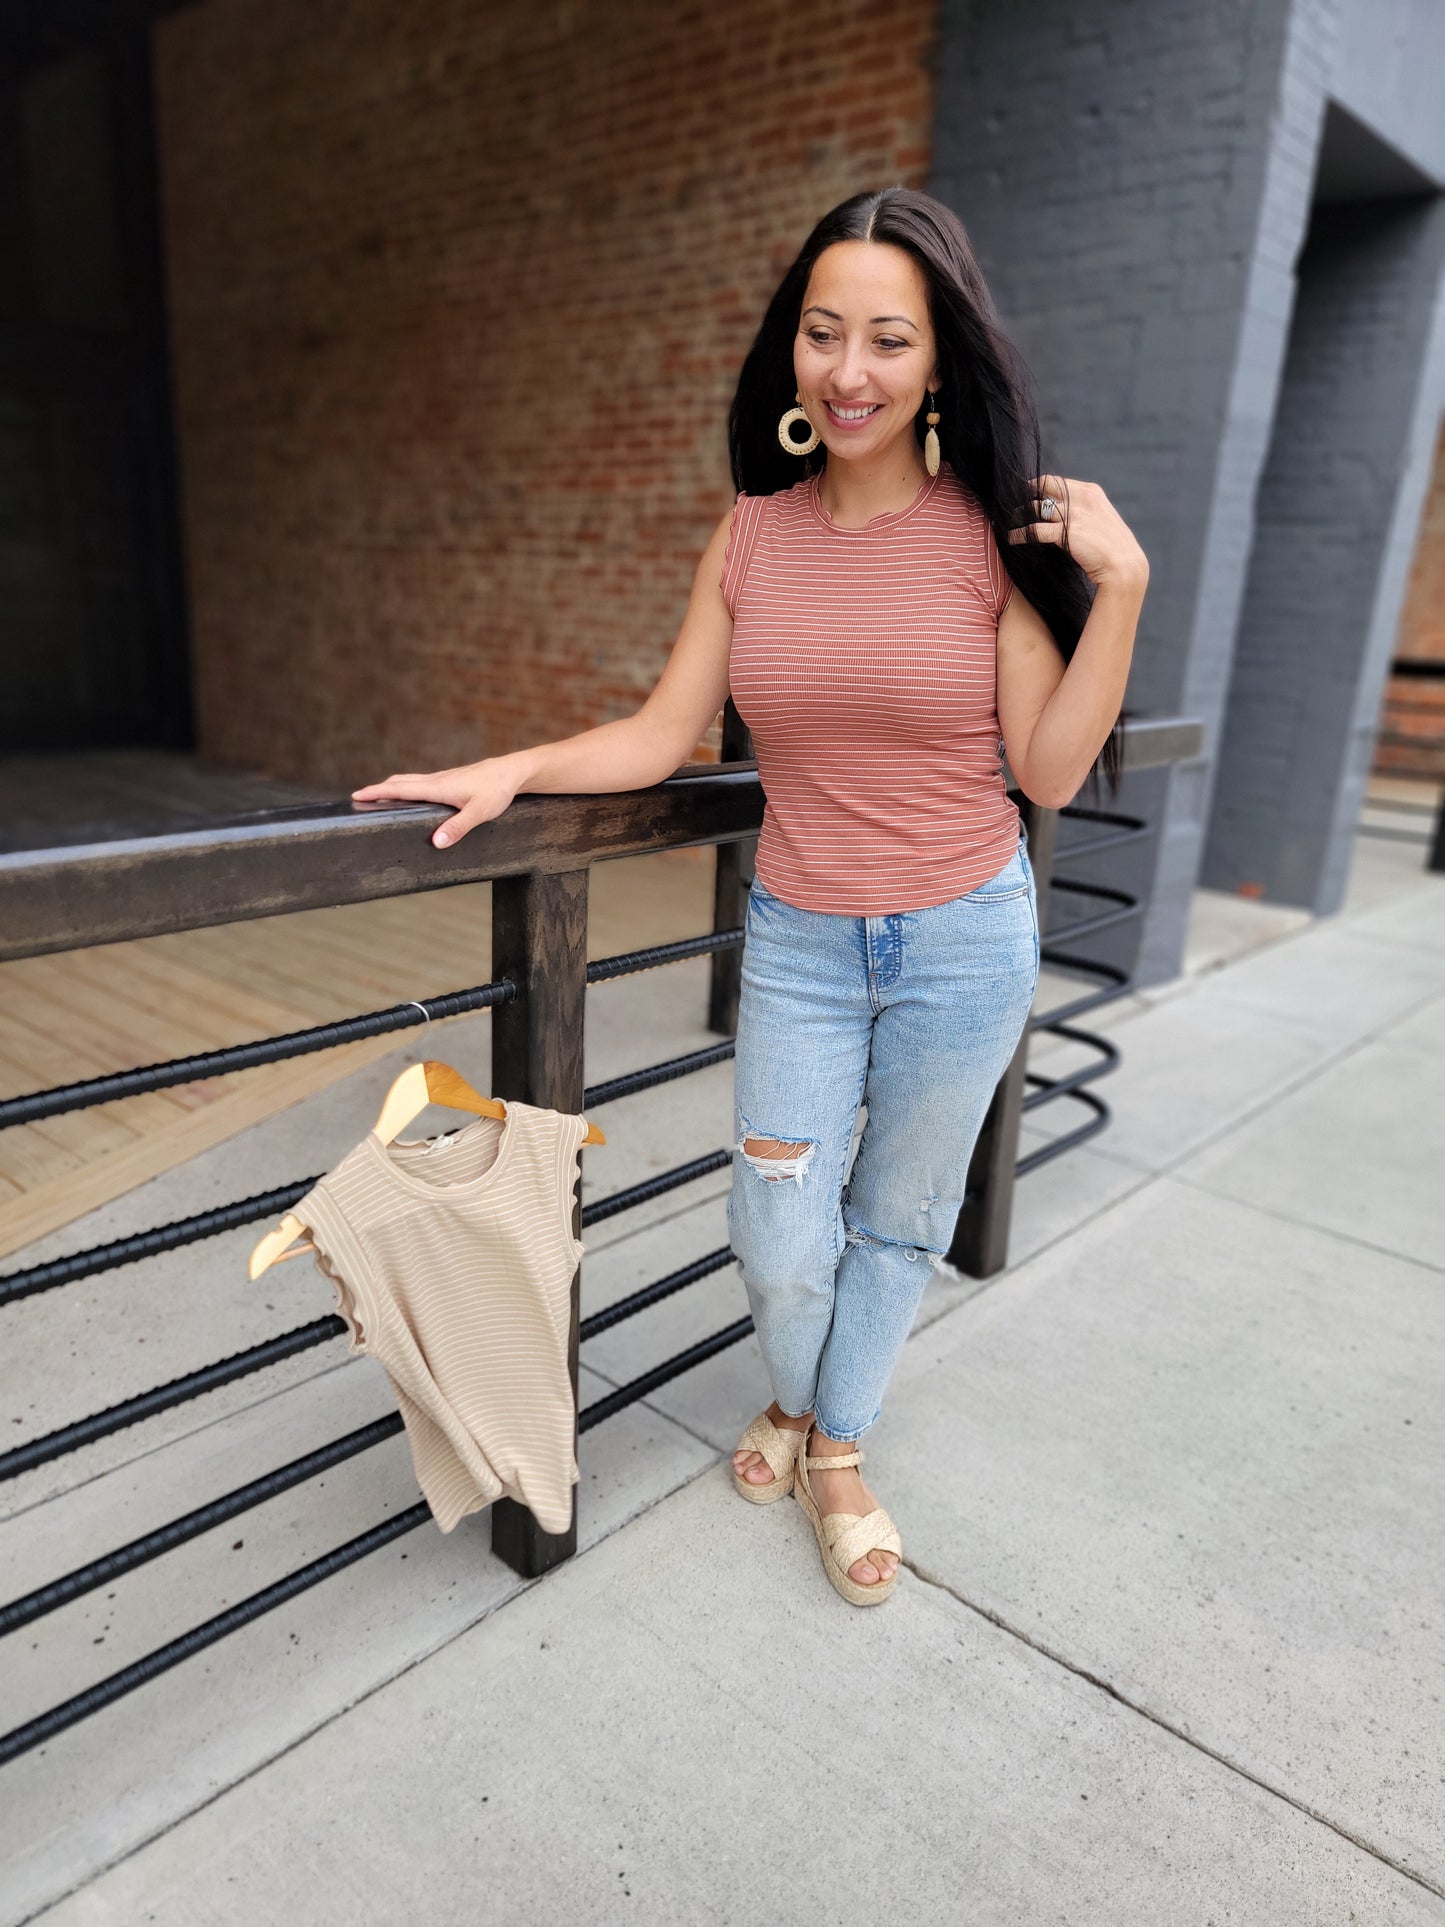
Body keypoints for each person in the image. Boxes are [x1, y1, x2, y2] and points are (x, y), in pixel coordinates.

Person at [350, 185, 1149, 1608]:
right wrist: (510, 767)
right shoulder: (754, 535)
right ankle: (803, 1390)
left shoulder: (990, 539)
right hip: (798, 942)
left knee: (897, 1220)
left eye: (887, 341)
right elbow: (663, 735)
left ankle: (829, 1440)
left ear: (935, 364)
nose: (848, 371)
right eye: (822, 333)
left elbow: (1046, 763)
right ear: (790, 349)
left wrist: (1125, 588)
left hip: (964, 939)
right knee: (776, 1229)